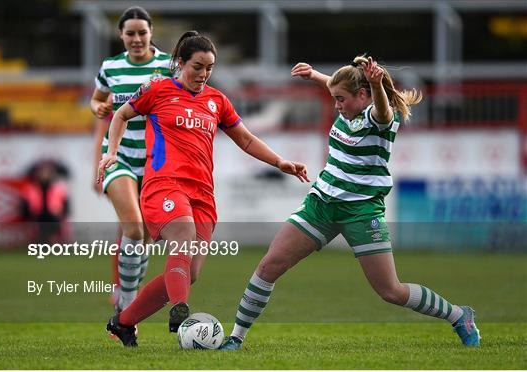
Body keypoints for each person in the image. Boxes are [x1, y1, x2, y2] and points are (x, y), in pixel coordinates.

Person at [220, 56, 481, 350]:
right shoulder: (347, 107)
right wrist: (314, 75)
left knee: (391, 291)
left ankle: (459, 315)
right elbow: (336, 86)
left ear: (362, 95)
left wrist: (375, 84)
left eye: (341, 99)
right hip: (322, 203)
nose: (336, 105)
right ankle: (236, 338)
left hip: (361, 211)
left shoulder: (380, 117)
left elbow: (381, 109)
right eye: (334, 98)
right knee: (268, 267)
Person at [97, 30, 309, 347]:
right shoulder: (157, 89)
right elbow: (122, 115)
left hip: (202, 194)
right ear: (180, 62)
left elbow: (246, 139)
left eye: (210, 67)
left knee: (190, 272)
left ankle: (123, 322)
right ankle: (181, 311)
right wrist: (111, 152)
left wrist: (280, 162)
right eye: (198, 66)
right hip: (164, 184)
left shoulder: (217, 100)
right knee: (181, 234)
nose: (204, 73)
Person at [90, 6, 173, 312]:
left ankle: (127, 294)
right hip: (120, 157)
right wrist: (96, 107)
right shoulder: (110, 67)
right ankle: (125, 303)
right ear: (120, 35)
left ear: (151, 33)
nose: (136, 39)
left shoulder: (168, 65)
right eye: (130, 33)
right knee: (133, 228)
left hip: (155, 162)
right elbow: (98, 100)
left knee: (146, 237)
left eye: (142, 33)